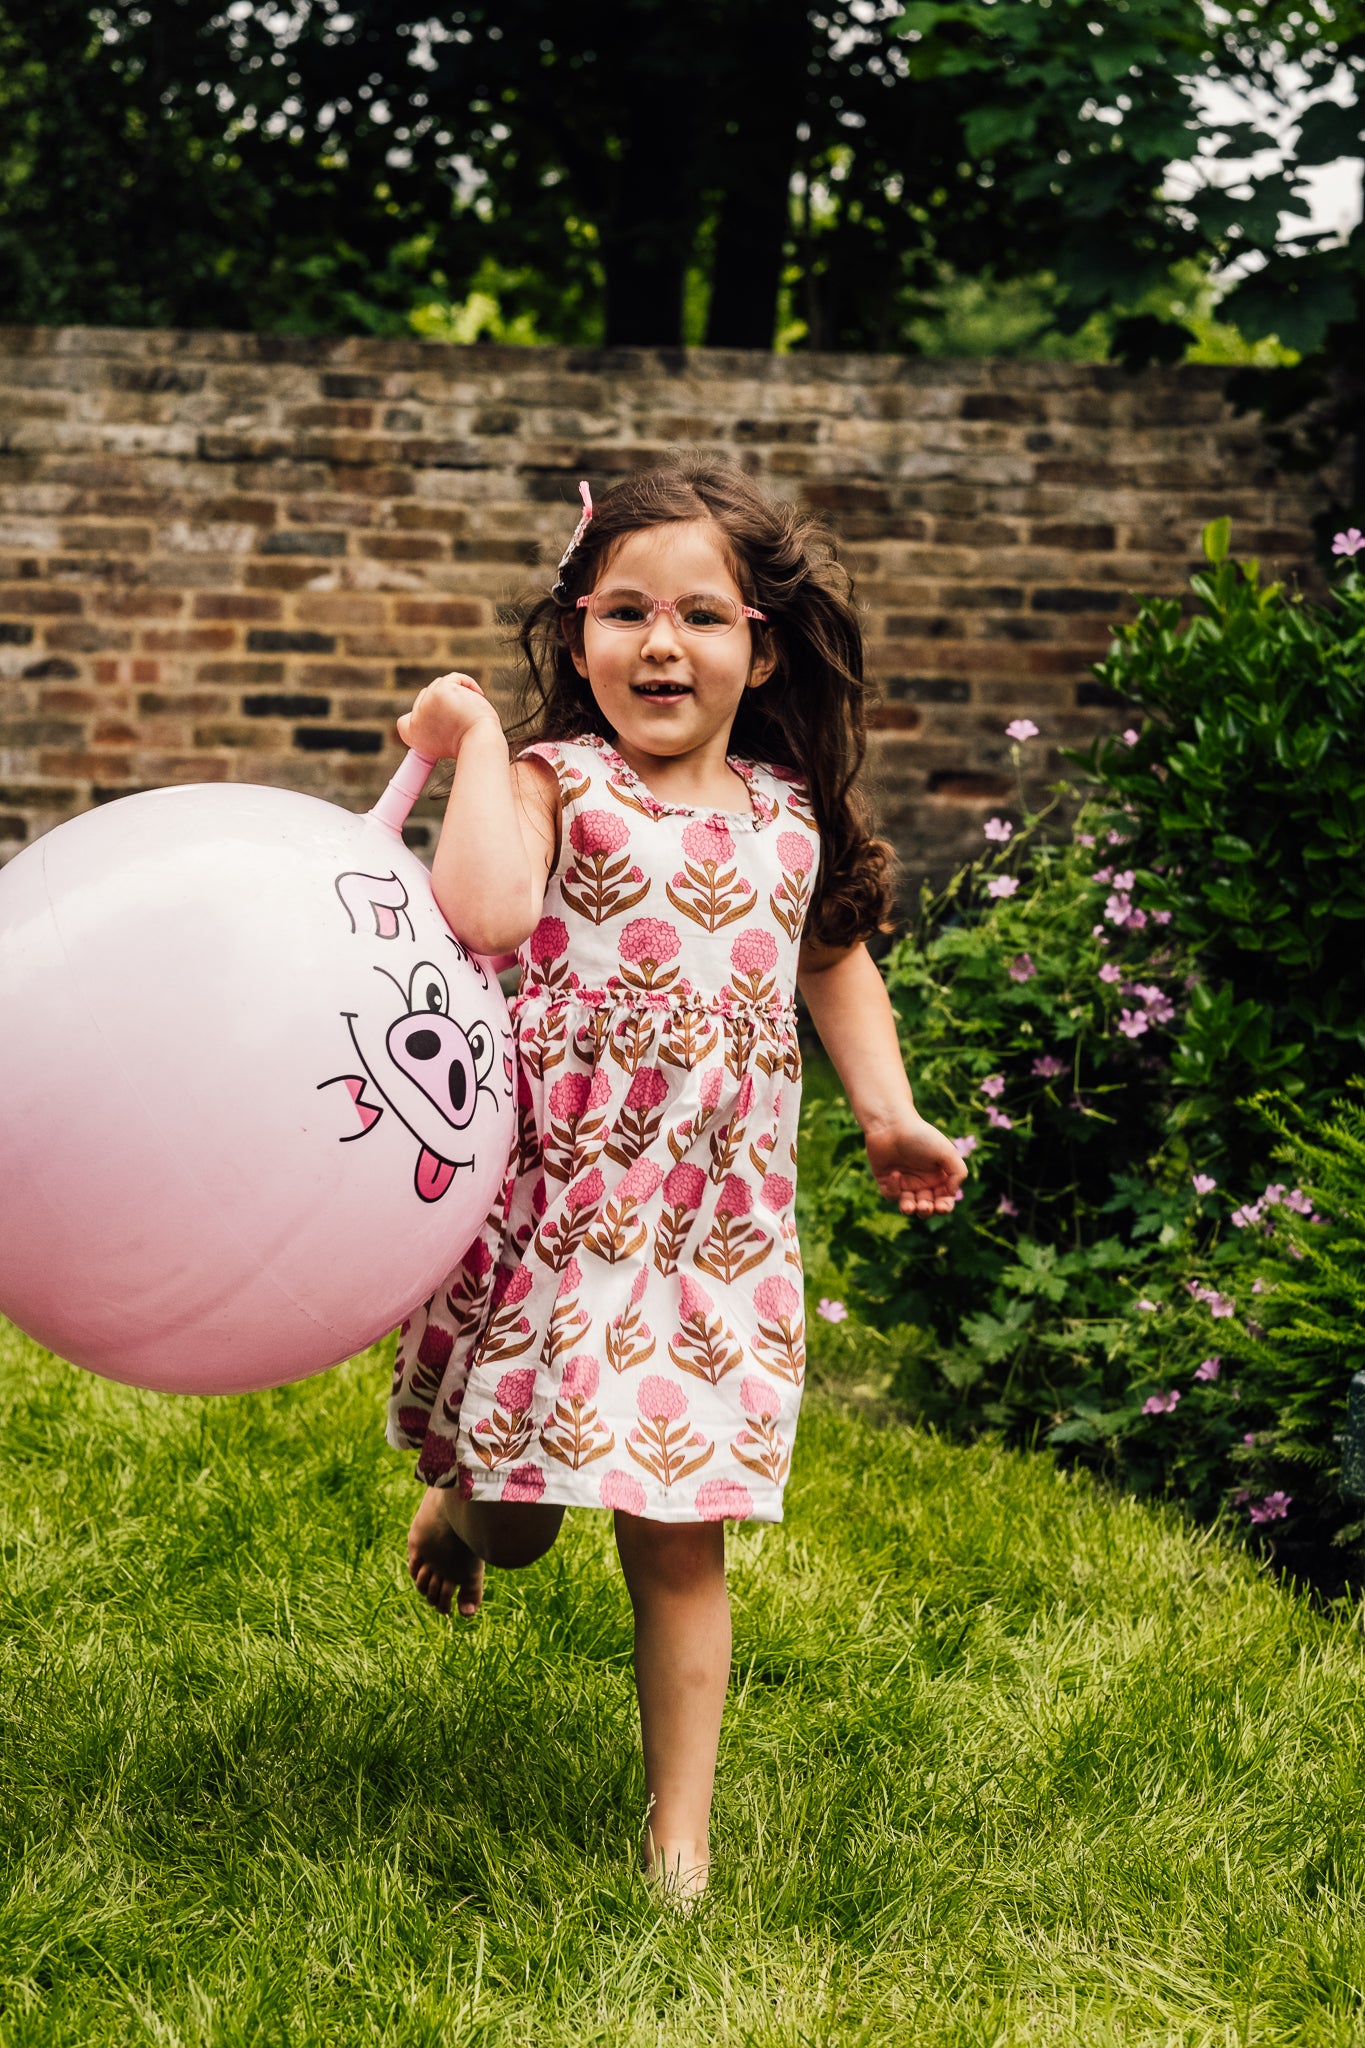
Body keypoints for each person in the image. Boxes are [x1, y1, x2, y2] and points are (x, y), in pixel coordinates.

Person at [387, 458, 966, 1897]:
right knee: (520, 1525)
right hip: (558, 1222)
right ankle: (464, 1507)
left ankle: (678, 1846)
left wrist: (886, 1113)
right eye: (624, 610)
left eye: (700, 616)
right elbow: (484, 910)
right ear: (575, 634)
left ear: (758, 646)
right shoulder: (552, 782)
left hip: (710, 1237)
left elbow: (832, 963)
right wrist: (468, 742)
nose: (661, 643)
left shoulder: (784, 813)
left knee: (677, 1528)